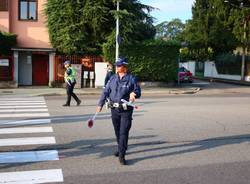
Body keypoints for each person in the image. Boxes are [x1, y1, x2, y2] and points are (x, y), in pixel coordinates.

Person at [96, 57, 141, 165]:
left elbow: (137, 91)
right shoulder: (112, 78)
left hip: (126, 110)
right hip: (114, 109)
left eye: (119, 65)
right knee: (117, 131)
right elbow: (105, 92)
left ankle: (122, 155)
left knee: (123, 132)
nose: (117, 67)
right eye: (116, 65)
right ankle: (122, 148)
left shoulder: (131, 78)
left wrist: (134, 93)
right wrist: (100, 104)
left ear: (124, 67)